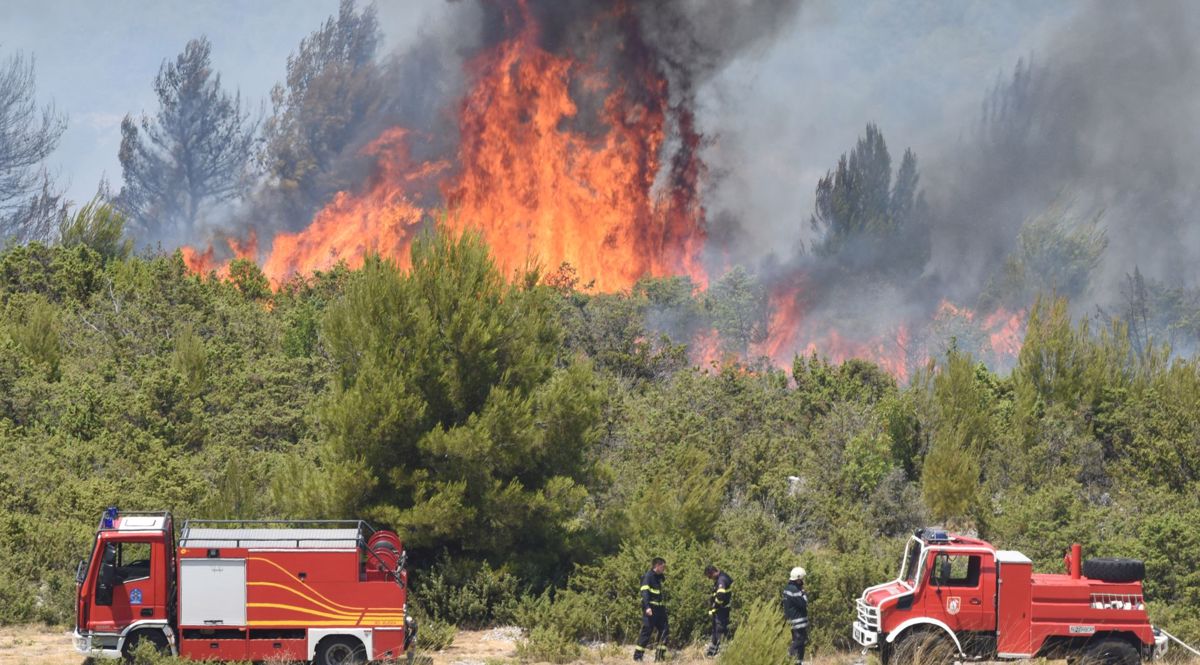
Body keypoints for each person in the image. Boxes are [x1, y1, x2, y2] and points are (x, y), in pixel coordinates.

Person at [634, 557, 668, 661]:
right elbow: (644, 593)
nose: (664, 568)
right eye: (663, 566)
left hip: (660, 610)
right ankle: (638, 657)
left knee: (665, 630)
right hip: (650, 610)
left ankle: (660, 657)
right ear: (657, 566)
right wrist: (647, 607)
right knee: (647, 632)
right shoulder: (648, 577)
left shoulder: (658, 577)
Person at [704, 564, 733, 656]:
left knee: (720, 630)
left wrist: (714, 608)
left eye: (709, 576)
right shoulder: (721, 577)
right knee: (715, 630)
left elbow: (720, 596)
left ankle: (722, 653)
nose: (709, 578)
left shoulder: (721, 580)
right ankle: (712, 653)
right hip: (721, 610)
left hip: (722, 610)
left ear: (713, 572)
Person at [782, 566, 809, 664]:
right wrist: (804, 593)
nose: (802, 581)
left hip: (792, 621)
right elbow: (804, 603)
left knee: (801, 644)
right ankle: (789, 653)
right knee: (799, 641)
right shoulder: (795, 591)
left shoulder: (787, 589)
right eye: (802, 579)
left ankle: (798, 662)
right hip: (798, 622)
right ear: (798, 579)